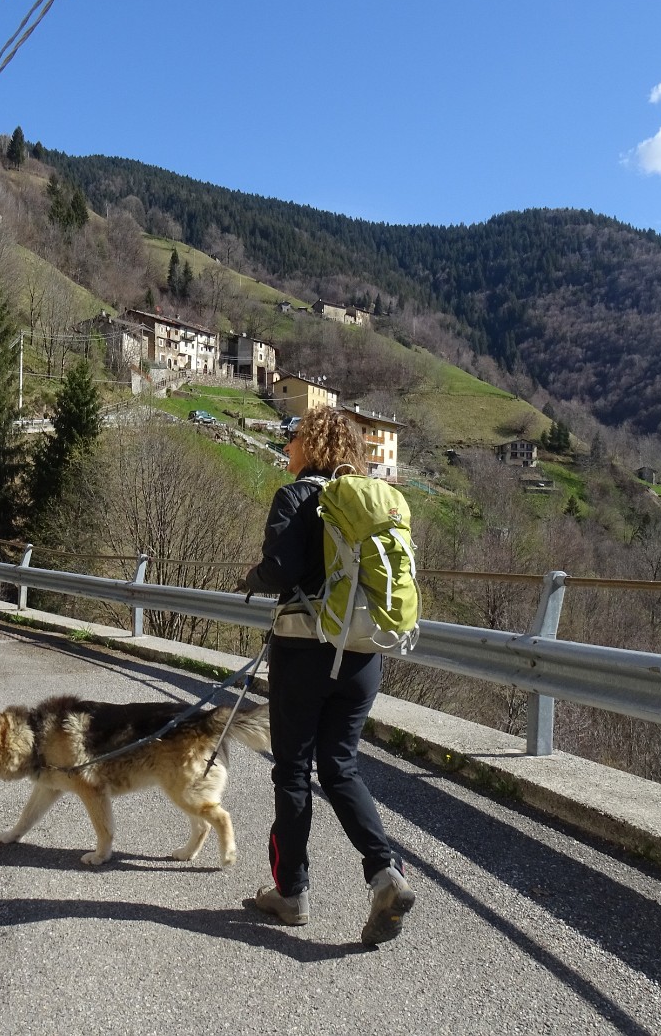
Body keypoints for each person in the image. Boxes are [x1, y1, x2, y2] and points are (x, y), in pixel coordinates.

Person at [239, 405, 415, 945]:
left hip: (304, 651)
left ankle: (291, 894)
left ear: (309, 445)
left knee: (292, 768)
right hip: (363, 653)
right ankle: (384, 871)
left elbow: (281, 570)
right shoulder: (366, 502)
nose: (287, 448)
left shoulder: (296, 495)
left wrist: (254, 576)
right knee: (340, 766)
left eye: (292, 440)